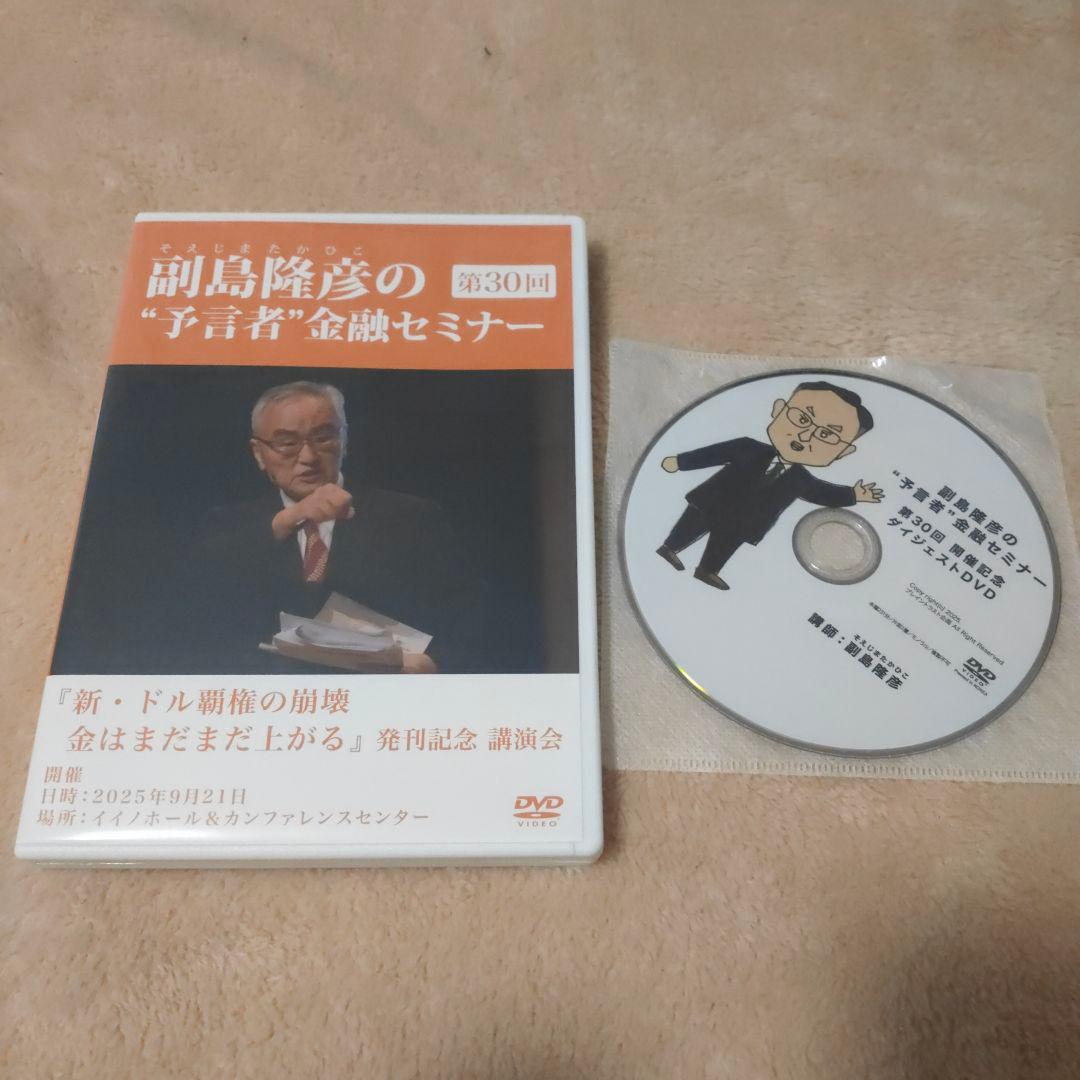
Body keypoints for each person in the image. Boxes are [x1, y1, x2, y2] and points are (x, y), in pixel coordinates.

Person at [192, 380, 479, 673]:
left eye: (323, 438)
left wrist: (432, 663)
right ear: (258, 453)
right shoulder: (226, 527)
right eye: (287, 443)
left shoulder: (412, 518)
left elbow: (467, 621)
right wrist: (290, 517)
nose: (308, 457)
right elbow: (199, 605)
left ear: (345, 440)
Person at [656, 380, 884, 590]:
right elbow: (715, 453)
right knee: (690, 527)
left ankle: (707, 570)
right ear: (779, 409)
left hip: (744, 522)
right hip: (711, 502)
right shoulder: (748, 447)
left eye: (826, 434)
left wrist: (853, 495)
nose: (805, 436)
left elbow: (823, 493)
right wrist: (680, 462)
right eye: (802, 419)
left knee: (725, 545)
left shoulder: (800, 479)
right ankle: (670, 548)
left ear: (843, 452)